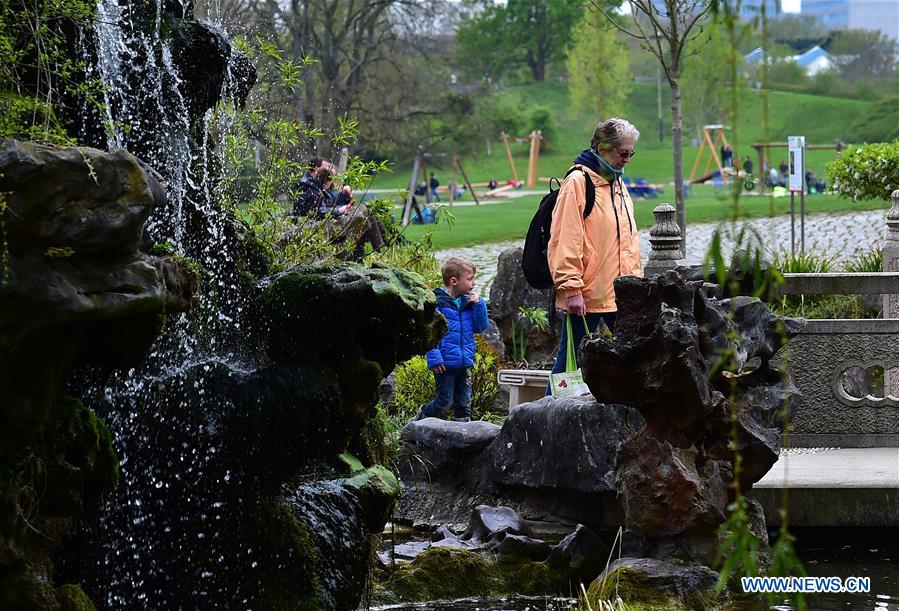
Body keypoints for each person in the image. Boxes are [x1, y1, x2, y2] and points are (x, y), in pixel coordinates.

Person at [545, 117, 642, 395]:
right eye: (623, 153)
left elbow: (627, 241)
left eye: (631, 153)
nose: (627, 159)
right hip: (586, 296)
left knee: (624, 364)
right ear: (602, 148)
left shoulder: (617, 183)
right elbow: (565, 239)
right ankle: (542, 426)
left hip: (621, 294)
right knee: (568, 366)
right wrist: (572, 288)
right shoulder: (578, 181)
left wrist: (635, 286)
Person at [413, 257, 489, 422]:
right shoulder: (437, 304)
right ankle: (422, 415)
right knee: (444, 403)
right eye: (470, 279)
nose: (474, 283)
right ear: (454, 281)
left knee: (464, 403)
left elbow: (480, 326)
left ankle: (461, 433)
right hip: (444, 364)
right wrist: (433, 357)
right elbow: (429, 333)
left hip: (464, 362)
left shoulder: (469, 304)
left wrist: (479, 305)